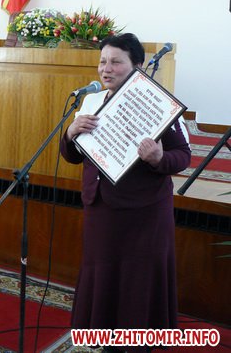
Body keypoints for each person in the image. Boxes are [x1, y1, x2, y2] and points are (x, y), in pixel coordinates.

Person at [60, 33, 191, 352]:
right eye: (103, 61)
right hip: (101, 209)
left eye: (116, 62)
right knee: (103, 277)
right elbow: (74, 155)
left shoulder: (157, 104)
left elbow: (183, 155)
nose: (106, 69)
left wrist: (159, 158)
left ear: (138, 66)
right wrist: (70, 133)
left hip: (144, 214)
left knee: (136, 284)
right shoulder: (92, 102)